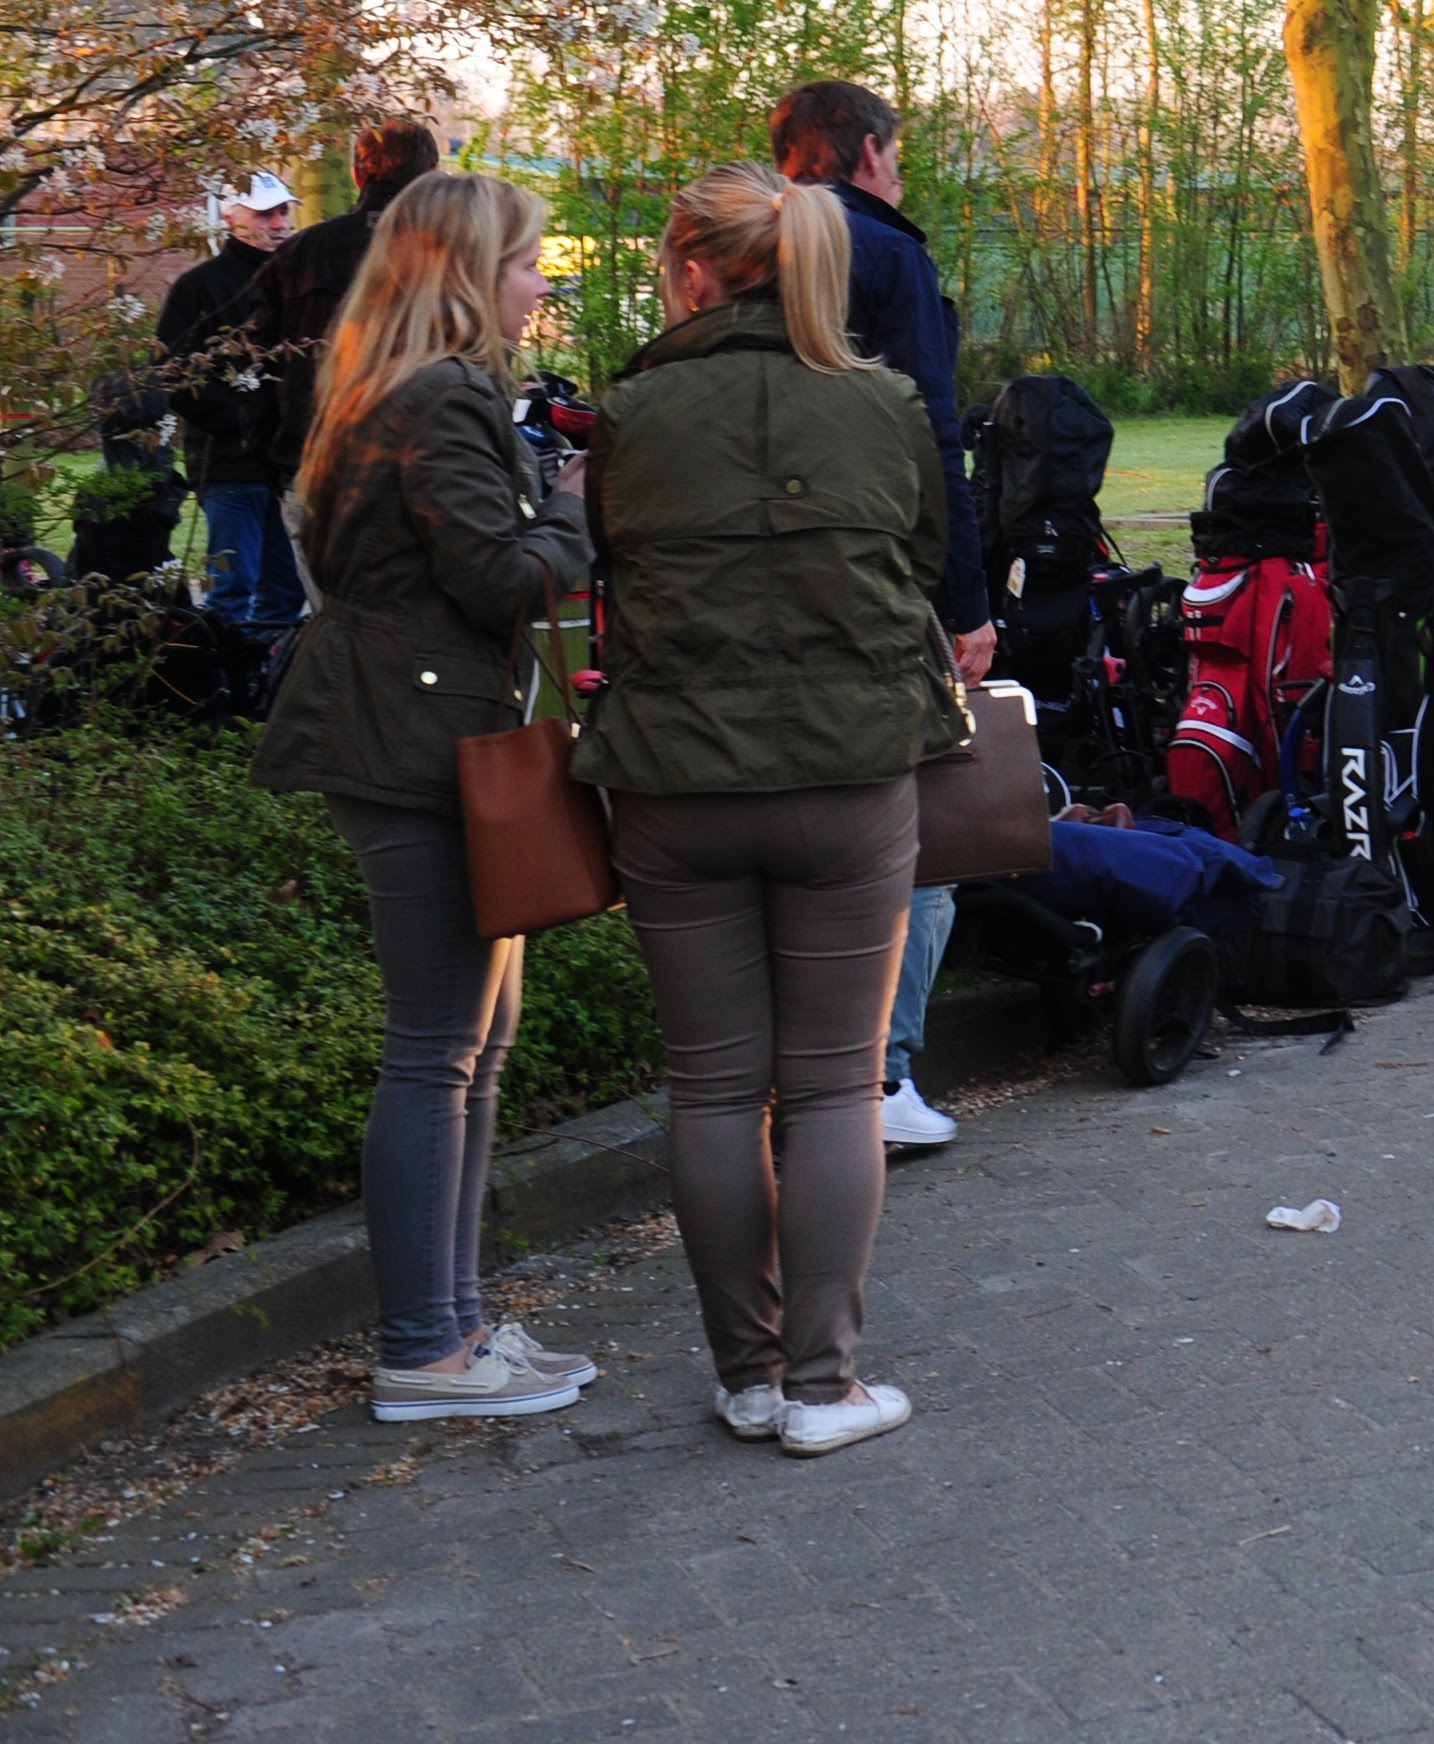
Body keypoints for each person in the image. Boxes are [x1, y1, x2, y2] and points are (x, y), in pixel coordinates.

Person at [578, 163, 966, 1460]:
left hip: (673, 779)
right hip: (849, 777)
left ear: (693, 272)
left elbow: (610, 568)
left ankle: (747, 1378)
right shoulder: (882, 402)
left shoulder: (630, 411)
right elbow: (920, 564)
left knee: (711, 1090)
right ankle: (822, 1385)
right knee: (835, 1090)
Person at [245, 172, 600, 1425]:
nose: (539, 283)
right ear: (465, 272)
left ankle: (455, 1330)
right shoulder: (438, 391)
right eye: (525, 262)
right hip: (414, 740)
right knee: (437, 1053)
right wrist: (573, 512)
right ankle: (421, 1352)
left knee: (470, 1051)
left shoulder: (387, 383)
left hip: (420, 729)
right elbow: (498, 577)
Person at [769, 80, 989, 1155]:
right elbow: (932, 435)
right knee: (914, 839)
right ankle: (882, 1074)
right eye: (895, 156)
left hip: (759, 584)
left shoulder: (746, 244)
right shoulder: (889, 257)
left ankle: (805, 1073)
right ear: (864, 154)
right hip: (877, 574)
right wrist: (969, 601)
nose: (899, 174)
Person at [239, 119, 443, 480]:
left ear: (357, 175)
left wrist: (274, 453)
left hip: (315, 461)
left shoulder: (299, 253)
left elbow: (256, 359)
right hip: (424, 458)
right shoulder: (452, 253)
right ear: (433, 173)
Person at [159, 172, 300, 632]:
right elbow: (173, 377)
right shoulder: (199, 287)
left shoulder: (297, 282)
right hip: (228, 467)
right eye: (265, 213)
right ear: (230, 218)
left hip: (288, 467)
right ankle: (225, 671)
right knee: (233, 587)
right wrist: (241, 420)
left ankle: (267, 670)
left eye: (283, 211)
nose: (279, 223)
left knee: (288, 588)